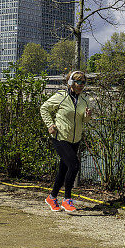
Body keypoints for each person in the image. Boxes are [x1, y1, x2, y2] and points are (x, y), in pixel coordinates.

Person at [40, 70, 92, 212]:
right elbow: (44, 108)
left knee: (63, 169)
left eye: (83, 82)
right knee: (74, 165)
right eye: (78, 82)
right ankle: (67, 199)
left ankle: (52, 197)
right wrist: (50, 125)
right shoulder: (60, 97)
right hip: (60, 137)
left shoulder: (84, 100)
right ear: (70, 83)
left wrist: (87, 116)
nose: (81, 85)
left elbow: (84, 120)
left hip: (75, 139)